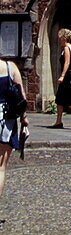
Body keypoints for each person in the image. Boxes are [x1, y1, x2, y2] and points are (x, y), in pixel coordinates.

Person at [0, 58, 29, 201]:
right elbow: (21, 97)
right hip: (6, 122)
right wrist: (24, 117)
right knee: (0, 167)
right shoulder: (10, 67)